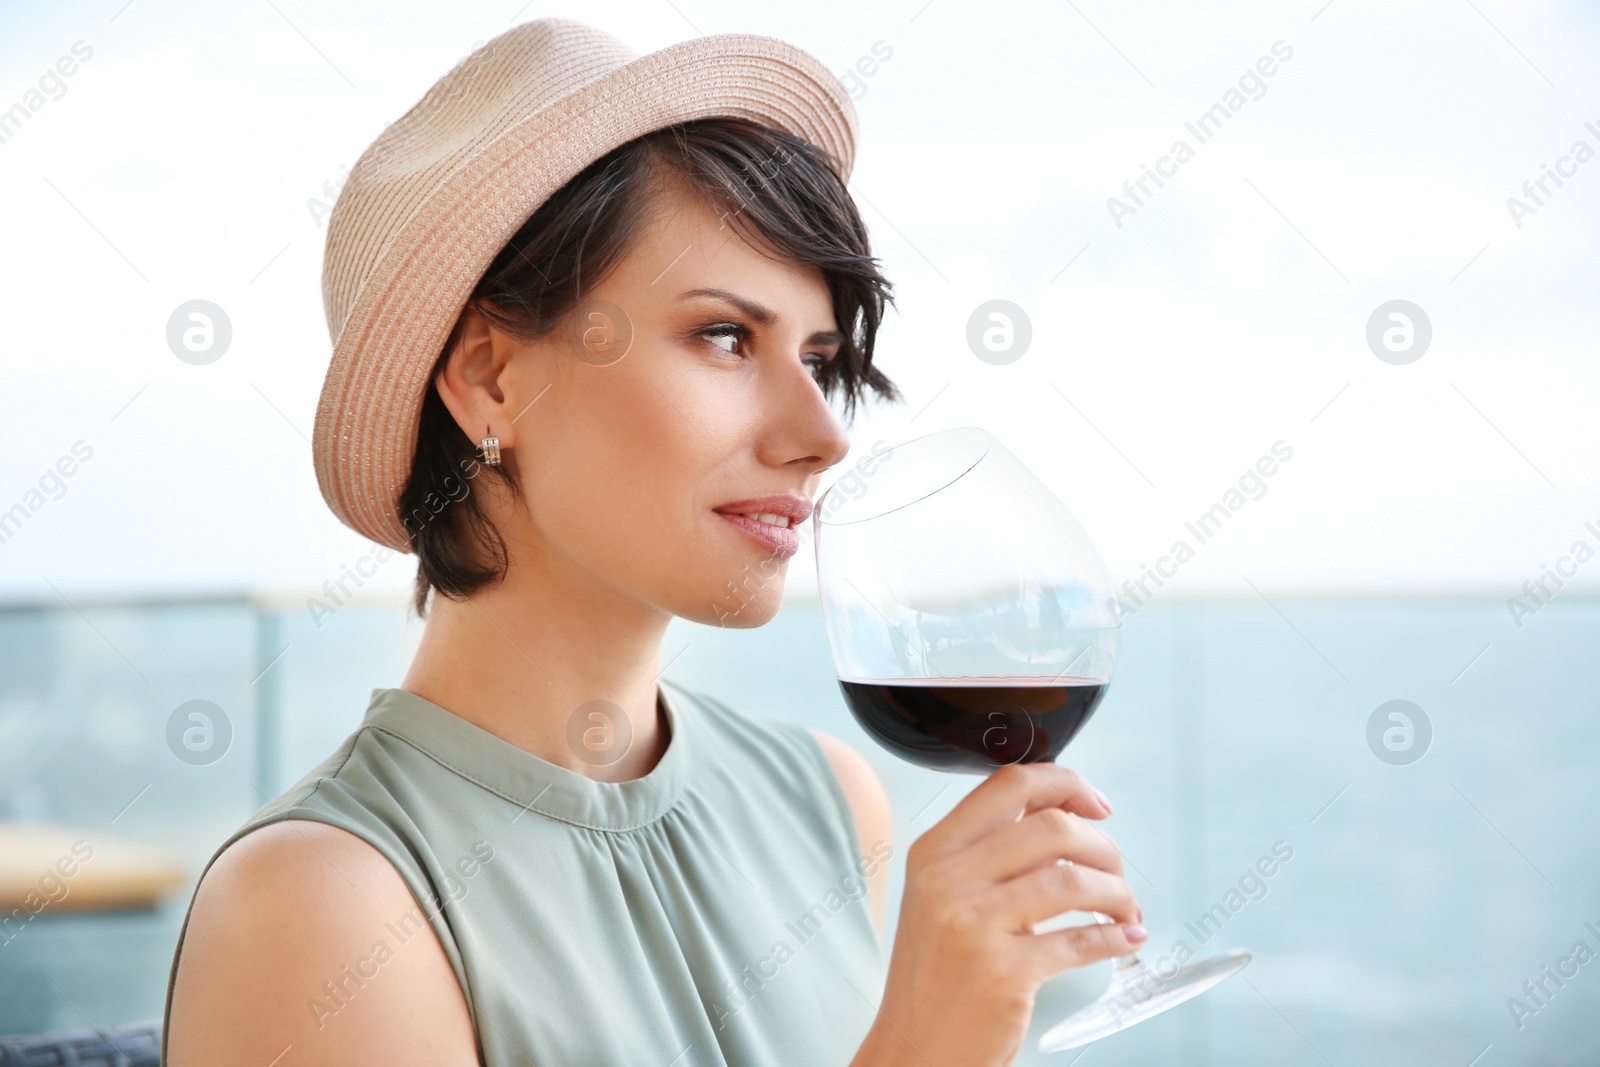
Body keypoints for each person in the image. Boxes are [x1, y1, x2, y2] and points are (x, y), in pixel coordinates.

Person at [161, 18, 1143, 1067]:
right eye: (724, 335)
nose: (821, 435)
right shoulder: (324, 903)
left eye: (817, 356)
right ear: (490, 376)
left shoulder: (823, 797)